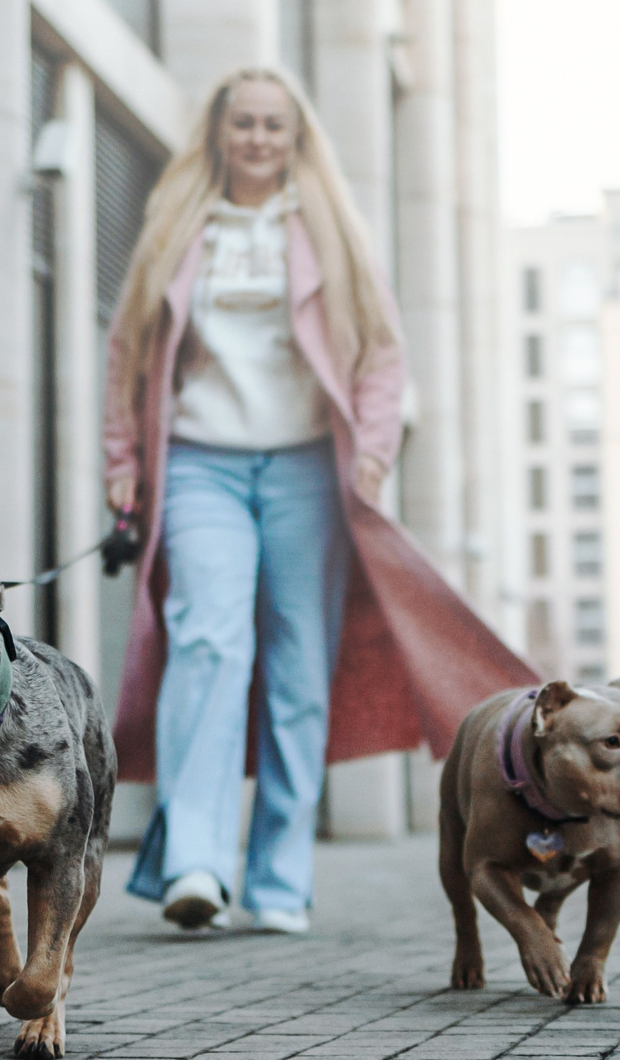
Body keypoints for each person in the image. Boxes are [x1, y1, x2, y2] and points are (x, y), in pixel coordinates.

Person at [103, 67, 536, 934]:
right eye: (244, 124)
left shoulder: (332, 231)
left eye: (275, 125)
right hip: (199, 463)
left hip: (308, 466)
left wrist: (372, 453)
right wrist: (124, 460)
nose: (258, 138)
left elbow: (381, 351)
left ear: (297, 139)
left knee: (300, 668)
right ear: (218, 135)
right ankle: (195, 858)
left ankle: (278, 878)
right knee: (206, 645)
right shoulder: (178, 228)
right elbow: (129, 351)